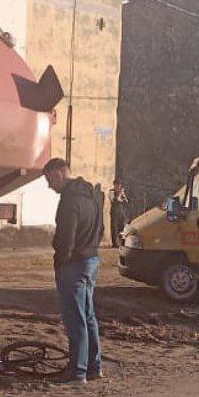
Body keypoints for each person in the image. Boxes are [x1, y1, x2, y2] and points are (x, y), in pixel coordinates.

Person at [42, 158, 104, 384]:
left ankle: (77, 372)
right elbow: (101, 231)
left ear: (59, 173)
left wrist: (60, 262)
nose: (49, 186)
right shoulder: (93, 195)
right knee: (88, 316)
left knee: (74, 318)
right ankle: (94, 367)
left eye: (49, 180)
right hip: (91, 260)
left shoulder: (69, 200)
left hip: (73, 264)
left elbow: (65, 238)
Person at [109, 179, 129, 248]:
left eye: (119, 185)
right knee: (114, 228)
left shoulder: (121, 192)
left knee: (122, 228)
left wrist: (122, 194)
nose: (118, 187)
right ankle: (115, 244)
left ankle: (122, 243)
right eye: (117, 185)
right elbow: (114, 200)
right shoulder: (111, 192)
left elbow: (126, 201)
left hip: (121, 212)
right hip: (114, 212)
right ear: (114, 185)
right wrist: (120, 194)